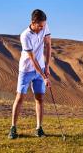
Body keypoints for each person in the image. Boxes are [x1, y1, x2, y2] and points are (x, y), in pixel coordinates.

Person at [8, 9, 52, 139]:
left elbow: (48, 45)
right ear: (33, 22)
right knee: (20, 98)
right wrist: (45, 78)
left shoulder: (44, 26)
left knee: (40, 98)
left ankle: (39, 128)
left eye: (43, 26)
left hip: (41, 69)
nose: (42, 28)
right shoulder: (25, 35)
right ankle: (13, 128)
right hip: (26, 70)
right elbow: (32, 60)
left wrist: (47, 67)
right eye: (40, 26)